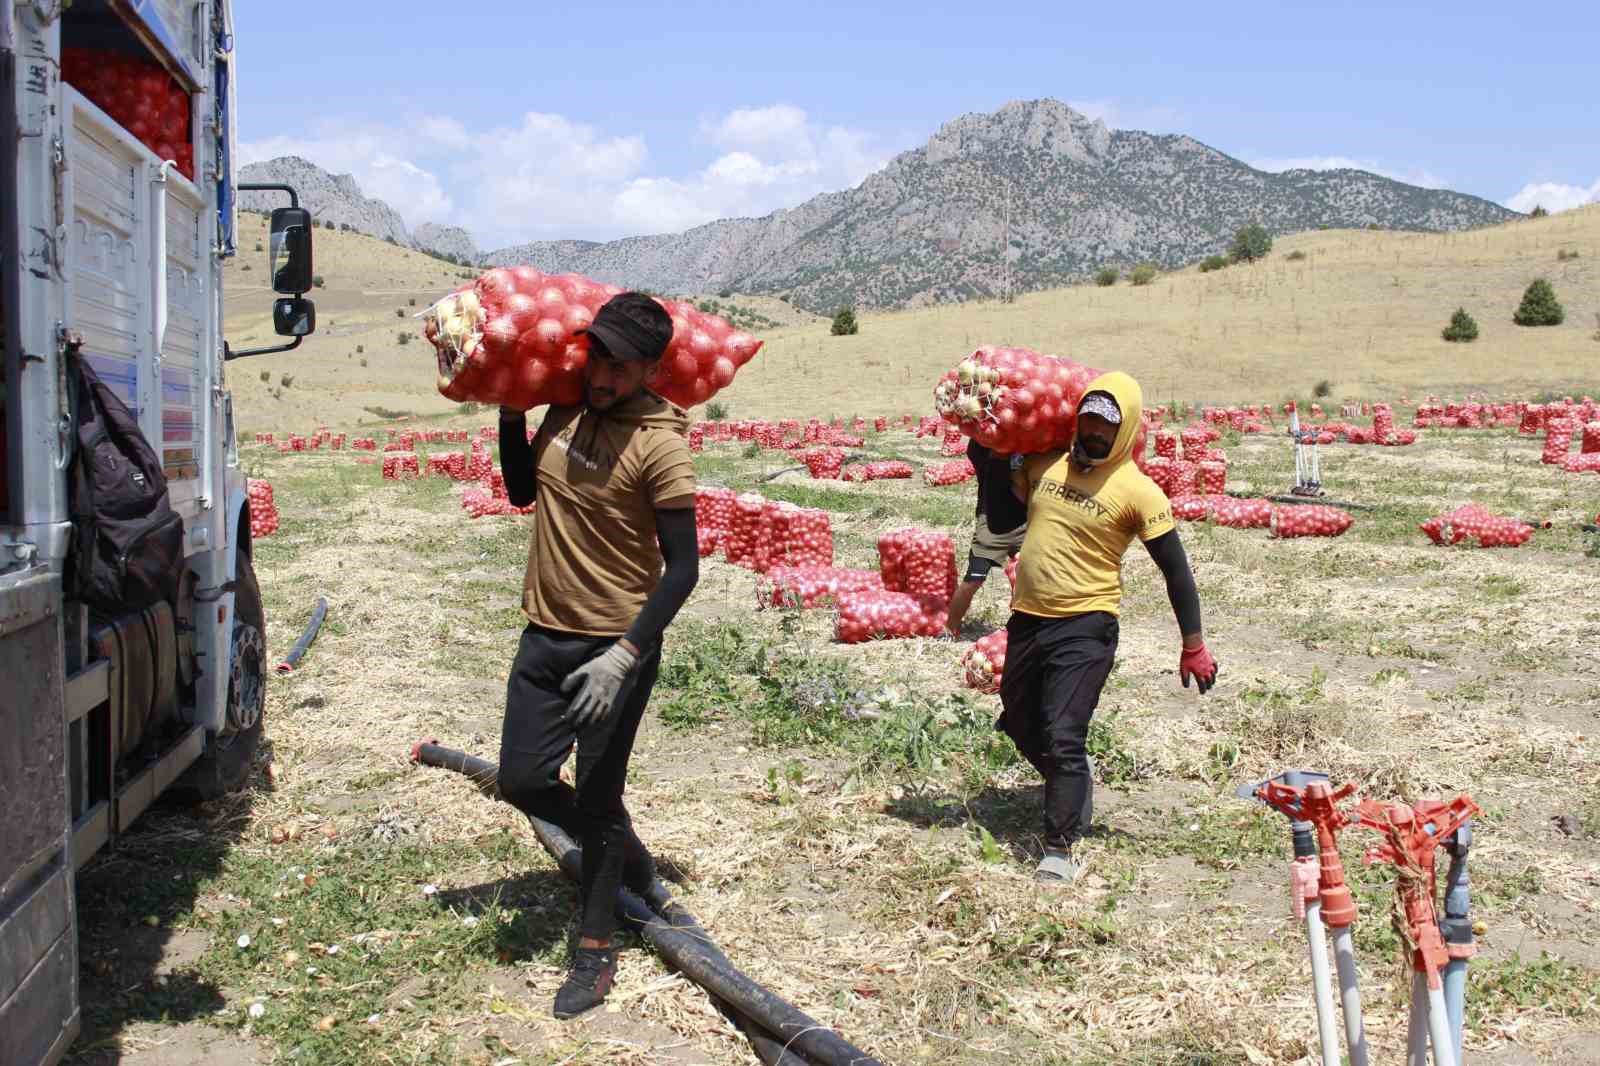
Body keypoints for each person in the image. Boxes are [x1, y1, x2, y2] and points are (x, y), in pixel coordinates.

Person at [494, 292, 700, 1018]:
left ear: (650, 370)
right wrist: (511, 415)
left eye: (621, 366)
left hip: (613, 647)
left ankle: (595, 948)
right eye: (598, 359)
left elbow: (684, 569)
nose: (603, 376)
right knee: (520, 779)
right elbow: (521, 491)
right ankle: (625, 852)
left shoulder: (660, 445)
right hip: (544, 633)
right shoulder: (564, 412)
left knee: (598, 794)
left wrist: (624, 656)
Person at [981, 371, 1217, 885]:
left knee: (1063, 732)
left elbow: (1176, 570)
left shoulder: (1139, 492)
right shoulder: (1046, 464)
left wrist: (1193, 644)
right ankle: (1072, 778)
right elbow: (1002, 514)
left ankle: (1059, 847)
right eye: (1088, 419)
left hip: (1086, 624)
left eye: (1106, 425)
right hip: (1028, 618)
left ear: (1125, 429)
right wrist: (992, 454)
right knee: (1019, 721)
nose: (1093, 431)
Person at [946, 437, 1026, 635]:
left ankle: (1024, 630)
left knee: (1029, 578)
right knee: (974, 578)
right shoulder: (981, 447)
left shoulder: (1030, 445)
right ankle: (948, 630)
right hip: (992, 521)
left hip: (1027, 521)